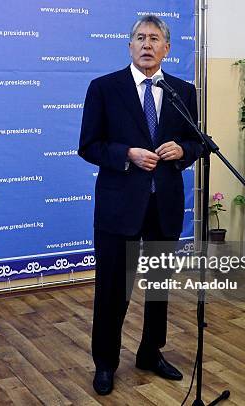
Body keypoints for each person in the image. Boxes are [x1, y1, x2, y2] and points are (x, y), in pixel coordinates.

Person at [78, 15, 203, 395]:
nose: (147, 44)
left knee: (159, 288)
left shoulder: (183, 91)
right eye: (140, 38)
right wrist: (126, 154)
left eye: (155, 39)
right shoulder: (104, 88)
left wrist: (183, 150)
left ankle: (150, 352)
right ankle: (105, 363)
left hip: (164, 205)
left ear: (167, 48)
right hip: (119, 208)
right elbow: (89, 146)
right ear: (130, 46)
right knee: (113, 290)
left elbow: (196, 142)